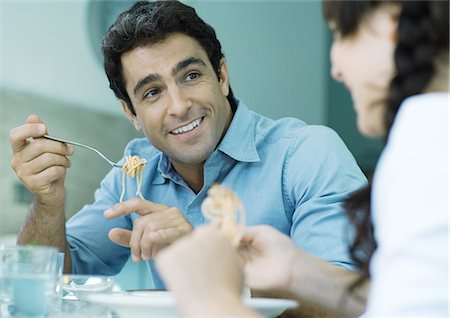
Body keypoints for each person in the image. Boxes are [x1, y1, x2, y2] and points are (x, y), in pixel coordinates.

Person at [8, 1, 366, 288]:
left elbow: (347, 300)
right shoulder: (133, 171)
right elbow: (50, 279)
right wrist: (48, 205)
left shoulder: (309, 154)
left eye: (191, 76)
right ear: (131, 113)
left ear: (222, 76)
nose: (179, 106)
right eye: (152, 93)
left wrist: (207, 259)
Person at [156, 0, 449, 316]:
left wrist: (211, 299)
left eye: (340, 35)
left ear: (390, 23)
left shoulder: (429, 139)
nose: (336, 68)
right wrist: (295, 270)